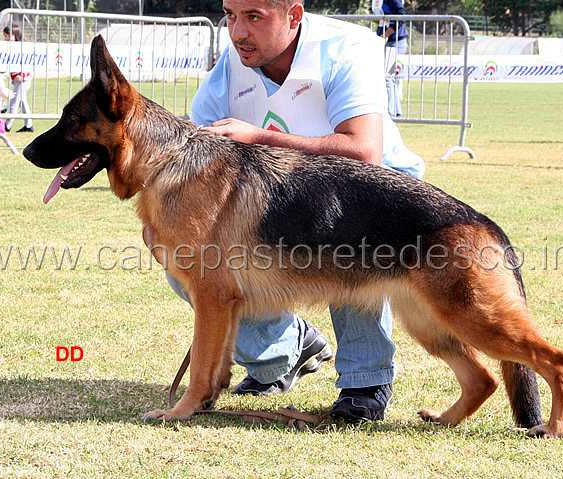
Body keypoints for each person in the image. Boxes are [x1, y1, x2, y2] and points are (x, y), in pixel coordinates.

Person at [161, 0, 425, 422]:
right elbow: (195, 150)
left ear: (294, 15)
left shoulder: (344, 47)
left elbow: (364, 152)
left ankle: (366, 380)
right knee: (185, 259)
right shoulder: (232, 64)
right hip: (284, 197)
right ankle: (283, 351)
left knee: (342, 238)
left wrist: (258, 137)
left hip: (376, 192)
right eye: (230, 15)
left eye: (253, 16)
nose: (237, 31)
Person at [373, 0, 409, 118]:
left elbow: (402, 16)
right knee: (389, 78)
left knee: (388, 78)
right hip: (386, 40)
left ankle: (390, 114)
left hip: (395, 41)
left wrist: (387, 34)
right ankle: (395, 113)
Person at [3, 24, 34, 133]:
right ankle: (29, 125)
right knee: (22, 102)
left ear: (15, 35)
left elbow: (28, 63)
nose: (6, 38)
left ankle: (7, 126)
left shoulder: (22, 47)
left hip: (23, 80)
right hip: (17, 80)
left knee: (14, 101)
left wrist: (22, 75)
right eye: (5, 36)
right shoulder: (9, 48)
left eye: (8, 36)